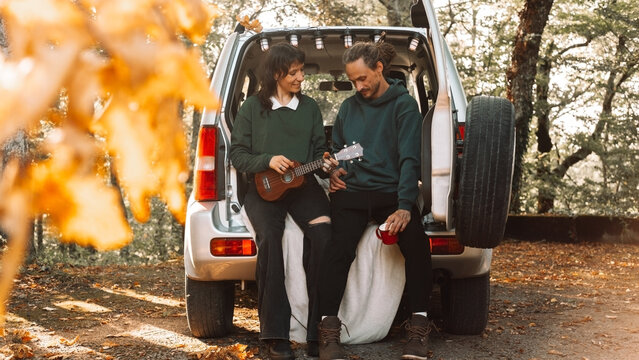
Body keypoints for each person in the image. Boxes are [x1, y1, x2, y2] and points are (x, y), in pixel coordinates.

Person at [317, 38, 433, 360]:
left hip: (391, 194)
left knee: (417, 245)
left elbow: (410, 159)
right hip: (353, 193)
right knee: (337, 249)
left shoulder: (403, 105)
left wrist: (405, 207)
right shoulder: (348, 108)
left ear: (379, 68)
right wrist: (334, 173)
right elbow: (341, 152)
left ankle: (419, 328)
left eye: (363, 78)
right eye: (353, 80)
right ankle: (328, 332)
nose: (358, 86)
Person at [230, 43, 338, 360]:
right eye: (294, 72)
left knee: (324, 236)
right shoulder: (252, 108)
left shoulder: (310, 109)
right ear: (277, 73)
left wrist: (327, 164)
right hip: (263, 188)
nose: (301, 78)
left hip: (303, 186)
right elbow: (237, 155)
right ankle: (275, 335)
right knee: (272, 240)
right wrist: (268, 159)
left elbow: (320, 152)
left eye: (301, 71)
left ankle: (318, 329)